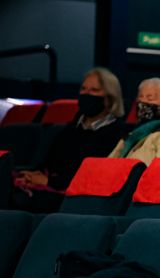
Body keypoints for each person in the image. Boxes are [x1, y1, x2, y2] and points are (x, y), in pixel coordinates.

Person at [12, 67, 125, 212]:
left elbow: (91, 177)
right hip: (49, 189)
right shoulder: (72, 128)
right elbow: (50, 160)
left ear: (109, 99)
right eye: (83, 89)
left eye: (94, 90)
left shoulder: (115, 134)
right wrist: (32, 175)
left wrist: (50, 181)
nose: (86, 94)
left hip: (77, 197)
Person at [108, 77, 160, 165]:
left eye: (150, 99)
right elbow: (108, 165)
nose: (142, 102)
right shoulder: (132, 134)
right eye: (140, 98)